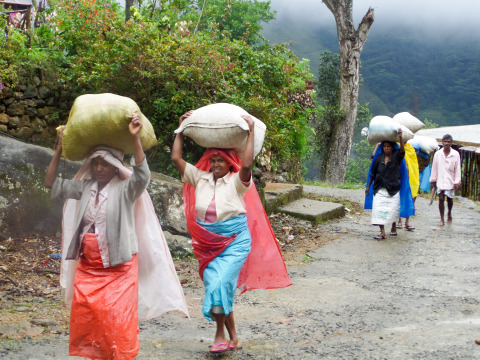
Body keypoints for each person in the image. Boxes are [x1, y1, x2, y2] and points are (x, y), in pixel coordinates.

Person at [45, 114, 188, 360]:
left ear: (115, 166)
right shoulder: (84, 187)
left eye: (105, 163)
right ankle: (97, 355)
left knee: (116, 317)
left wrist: (135, 138)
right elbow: (51, 183)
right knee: (90, 315)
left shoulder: (126, 189)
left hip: (119, 266)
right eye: (96, 163)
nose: (99, 168)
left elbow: (143, 176)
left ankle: (120, 354)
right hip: (88, 266)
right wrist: (58, 150)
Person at [172, 110, 291, 353]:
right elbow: (176, 158)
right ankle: (234, 336)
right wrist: (180, 130)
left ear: (229, 164)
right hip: (207, 244)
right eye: (213, 160)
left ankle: (218, 335)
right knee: (220, 287)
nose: (216, 164)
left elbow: (247, 163)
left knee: (219, 284)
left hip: (235, 241)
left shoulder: (238, 182)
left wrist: (250, 132)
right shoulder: (199, 178)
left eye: (221, 161)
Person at [365, 129, 408, 239]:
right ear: (382, 148)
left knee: (393, 210)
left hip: (393, 188)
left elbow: (402, 151)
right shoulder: (378, 158)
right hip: (380, 188)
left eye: (389, 146)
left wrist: (400, 138)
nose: (386, 148)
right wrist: (368, 186)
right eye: (385, 147)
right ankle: (382, 232)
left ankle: (393, 226)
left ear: (392, 148)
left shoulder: (396, 157)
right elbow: (373, 173)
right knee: (379, 210)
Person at [429, 134, 461, 226]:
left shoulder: (455, 154)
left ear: (451, 143)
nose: (446, 143)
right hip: (440, 180)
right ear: (442, 143)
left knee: (450, 199)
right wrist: (433, 180)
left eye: (448, 142)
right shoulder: (438, 154)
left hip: (451, 179)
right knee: (441, 199)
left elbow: (458, 169)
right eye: (445, 141)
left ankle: (449, 213)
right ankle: (442, 219)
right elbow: (434, 167)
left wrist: (456, 182)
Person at [397, 142, 419, 231]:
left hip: (411, 177)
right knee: (399, 198)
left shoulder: (410, 149)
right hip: (399, 177)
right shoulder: (396, 147)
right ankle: (399, 221)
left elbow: (414, 165)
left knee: (411, 198)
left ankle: (407, 221)